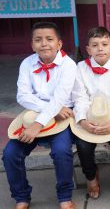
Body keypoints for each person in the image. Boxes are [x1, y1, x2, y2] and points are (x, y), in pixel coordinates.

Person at [2, 22, 76, 209]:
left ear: (59, 43)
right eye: (38, 40)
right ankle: (21, 197)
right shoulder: (27, 63)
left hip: (60, 120)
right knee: (10, 153)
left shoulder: (68, 65)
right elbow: (23, 96)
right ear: (32, 45)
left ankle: (64, 196)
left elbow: (60, 98)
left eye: (49, 39)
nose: (44, 44)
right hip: (33, 116)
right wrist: (48, 111)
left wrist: (39, 124)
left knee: (61, 152)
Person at [71, 27, 110, 199]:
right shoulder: (80, 68)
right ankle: (90, 177)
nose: (100, 48)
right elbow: (79, 97)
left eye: (105, 44)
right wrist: (82, 121)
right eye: (95, 45)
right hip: (89, 118)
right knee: (83, 146)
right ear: (88, 50)